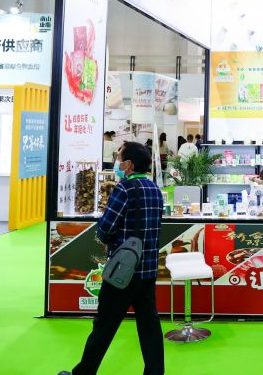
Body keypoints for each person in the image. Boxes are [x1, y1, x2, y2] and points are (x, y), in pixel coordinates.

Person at [66, 142, 164, 374]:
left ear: (129, 164)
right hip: (147, 269)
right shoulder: (155, 189)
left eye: (119, 158)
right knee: (149, 326)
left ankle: (84, 372)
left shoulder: (124, 189)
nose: (117, 163)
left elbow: (106, 228)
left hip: (122, 271)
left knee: (104, 326)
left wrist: (104, 235)